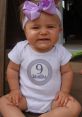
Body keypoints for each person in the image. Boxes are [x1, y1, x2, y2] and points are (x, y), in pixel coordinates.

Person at [0, 0, 81, 117]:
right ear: (25, 31)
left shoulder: (60, 51)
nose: (43, 32)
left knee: (75, 107)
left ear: (59, 30)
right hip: (25, 99)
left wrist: (64, 92)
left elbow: (67, 72)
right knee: (3, 102)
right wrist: (14, 90)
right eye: (35, 28)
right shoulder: (21, 48)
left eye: (50, 27)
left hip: (53, 101)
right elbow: (12, 70)